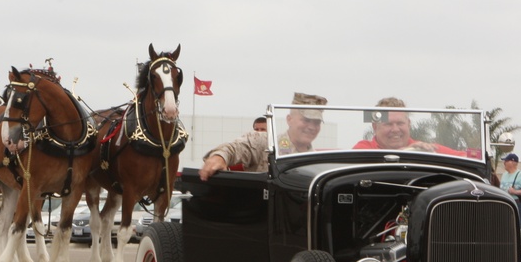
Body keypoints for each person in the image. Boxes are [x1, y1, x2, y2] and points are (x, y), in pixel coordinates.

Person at [199, 93, 327, 180]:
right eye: (306, 120)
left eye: (316, 122)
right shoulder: (267, 142)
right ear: (289, 120)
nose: (311, 127)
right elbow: (236, 147)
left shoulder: (316, 162)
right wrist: (220, 157)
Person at [352, 97, 467, 155]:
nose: (395, 130)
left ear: (409, 124)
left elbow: (467, 158)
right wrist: (409, 151)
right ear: (375, 127)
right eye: (388, 124)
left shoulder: (426, 150)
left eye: (400, 123)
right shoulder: (363, 149)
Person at [499, 153, 521, 229]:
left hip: (516, 203)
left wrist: (515, 192)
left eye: (506, 161)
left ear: (512, 162)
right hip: (504, 202)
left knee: (517, 225)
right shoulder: (504, 174)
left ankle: (519, 238)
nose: (504, 163)